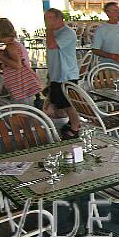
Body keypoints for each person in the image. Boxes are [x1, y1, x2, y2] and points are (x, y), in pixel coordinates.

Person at [44, 8, 81, 139]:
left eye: (49, 18)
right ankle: (71, 123)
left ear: (59, 19)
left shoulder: (67, 33)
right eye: (46, 18)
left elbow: (52, 45)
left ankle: (75, 128)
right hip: (56, 73)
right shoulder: (53, 33)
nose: (46, 21)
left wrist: (48, 30)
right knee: (60, 102)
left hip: (67, 74)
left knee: (68, 104)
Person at [0, 18, 43, 105]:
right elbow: (7, 66)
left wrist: (1, 57)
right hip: (18, 85)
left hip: (20, 85)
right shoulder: (13, 45)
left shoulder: (11, 46)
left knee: (22, 112)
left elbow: (17, 65)